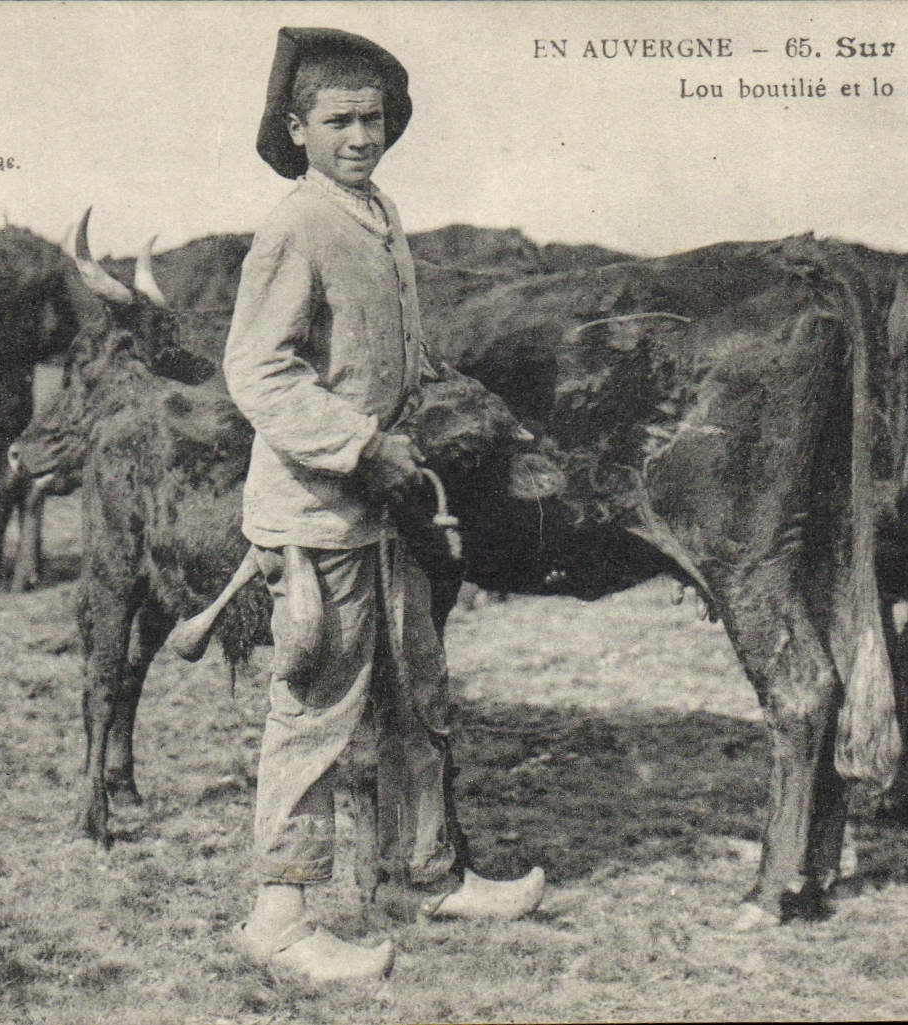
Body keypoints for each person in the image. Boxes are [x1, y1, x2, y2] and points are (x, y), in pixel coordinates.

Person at [223, 27, 545, 986]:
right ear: (297, 127)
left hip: (388, 510)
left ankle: (422, 876)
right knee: (316, 709)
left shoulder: (375, 212)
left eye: (375, 118)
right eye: (339, 121)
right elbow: (257, 369)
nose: (361, 136)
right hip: (318, 514)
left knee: (416, 691)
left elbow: (385, 356)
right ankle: (278, 919)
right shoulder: (298, 224)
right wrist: (361, 445)